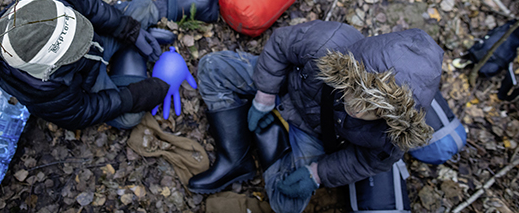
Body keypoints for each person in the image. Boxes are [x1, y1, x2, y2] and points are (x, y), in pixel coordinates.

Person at [188, 20, 443, 213]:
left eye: (376, 111)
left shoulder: (392, 134)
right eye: (356, 92)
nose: (358, 110)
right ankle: (235, 159)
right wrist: (264, 95)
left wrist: (316, 174)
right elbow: (280, 44)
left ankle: (274, 137)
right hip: (288, 87)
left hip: (315, 134)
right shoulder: (328, 43)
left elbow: (367, 161)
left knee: (286, 203)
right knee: (213, 67)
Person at [0, 0, 222, 130]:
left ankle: (199, 5)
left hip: (101, 39)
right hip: (88, 82)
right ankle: (130, 61)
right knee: (130, 118)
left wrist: (131, 30)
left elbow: (92, 7)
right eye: (74, 47)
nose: (83, 42)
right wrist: (132, 97)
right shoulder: (41, 93)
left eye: (78, 29)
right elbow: (82, 112)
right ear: (46, 70)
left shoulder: (47, 2)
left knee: (140, 11)